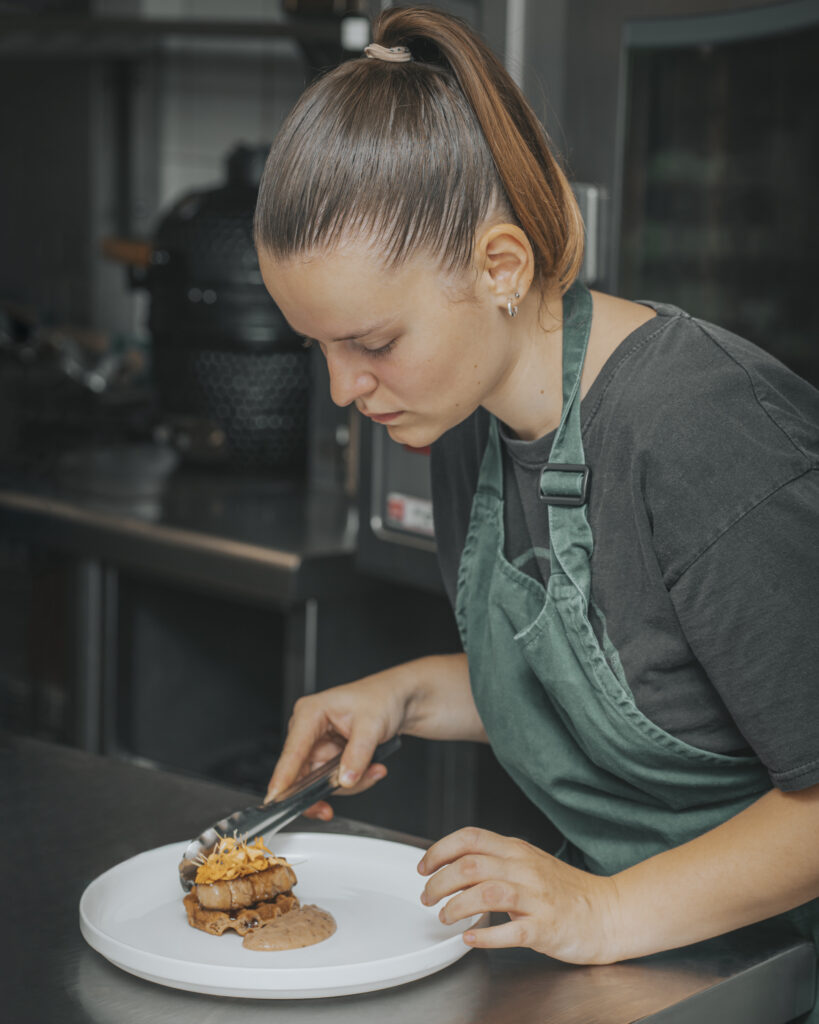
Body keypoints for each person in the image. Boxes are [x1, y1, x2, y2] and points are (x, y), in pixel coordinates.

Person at [253, 4, 819, 1008]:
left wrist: (597, 912)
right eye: (321, 347)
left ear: (500, 268)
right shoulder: (462, 413)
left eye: (373, 343)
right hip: (672, 961)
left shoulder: (701, 431)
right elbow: (640, 682)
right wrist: (403, 698)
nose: (346, 389)